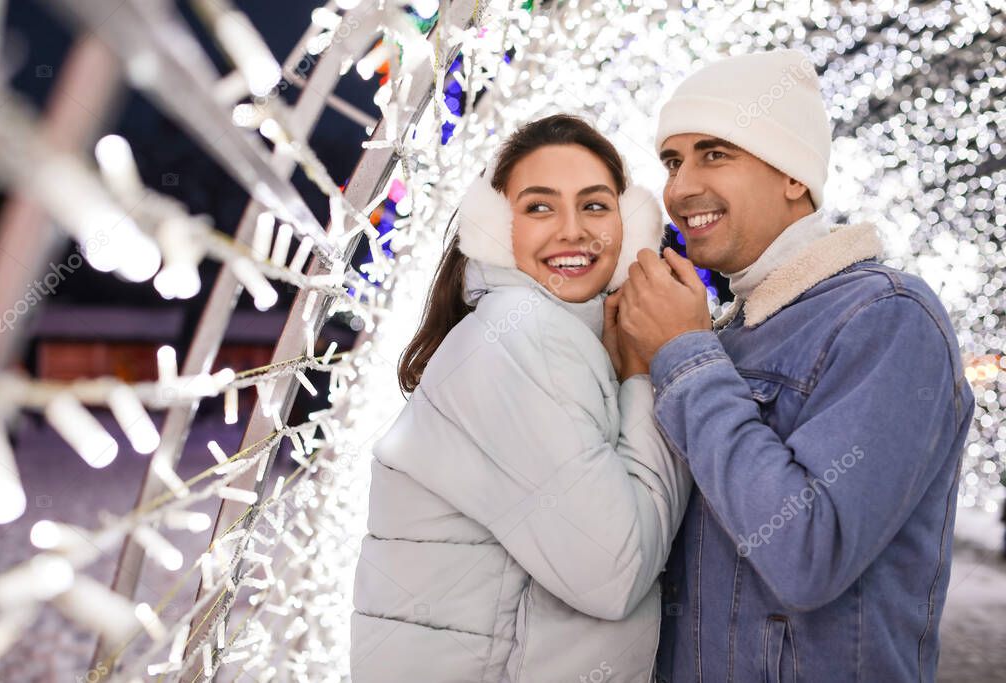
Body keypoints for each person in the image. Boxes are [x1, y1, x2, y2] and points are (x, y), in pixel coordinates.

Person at [609, 49, 975, 682]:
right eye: (672, 161)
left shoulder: (888, 318)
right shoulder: (725, 335)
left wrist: (684, 357)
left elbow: (809, 551)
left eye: (715, 153)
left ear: (794, 176)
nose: (680, 187)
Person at [350, 114, 692, 682]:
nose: (572, 231)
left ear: (628, 225)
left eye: (595, 205)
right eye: (539, 207)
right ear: (495, 228)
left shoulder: (558, 339)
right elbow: (614, 572)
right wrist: (646, 379)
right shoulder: (522, 338)